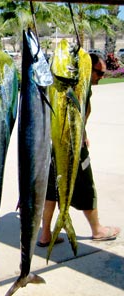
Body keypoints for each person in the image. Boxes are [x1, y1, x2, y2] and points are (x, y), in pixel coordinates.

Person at [37, 53, 120, 247]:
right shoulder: (80, 84)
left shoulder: (70, 86)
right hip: (71, 145)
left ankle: (45, 234)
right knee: (86, 184)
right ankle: (97, 229)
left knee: (51, 188)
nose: (101, 77)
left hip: (56, 143)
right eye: (99, 72)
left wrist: (83, 133)